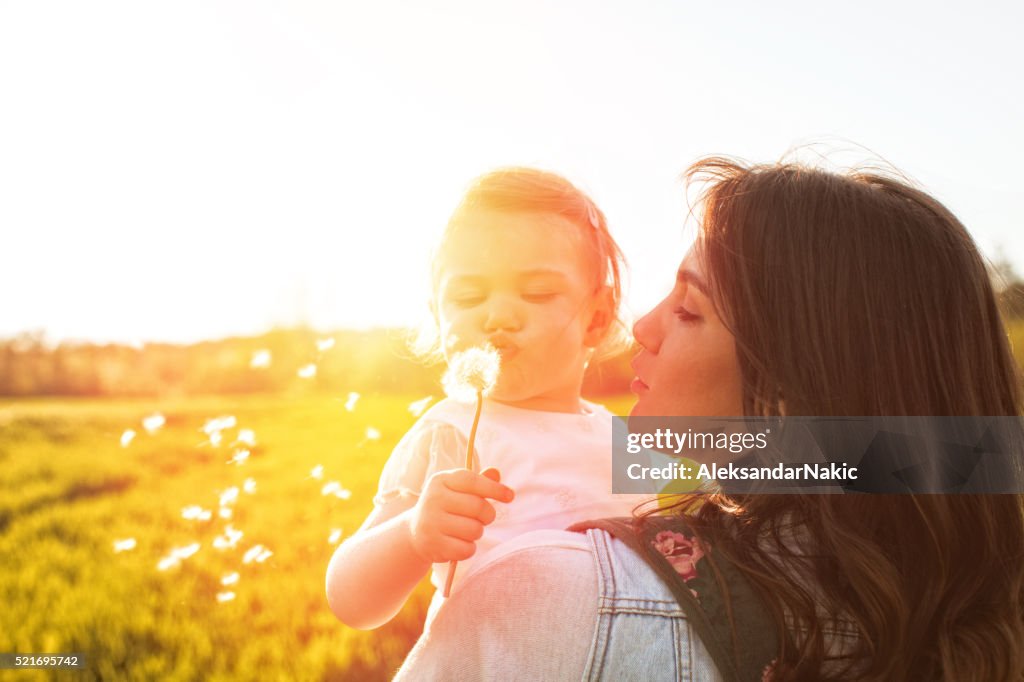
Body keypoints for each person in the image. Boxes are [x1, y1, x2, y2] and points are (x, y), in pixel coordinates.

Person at [392, 157, 1024, 681]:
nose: (640, 327)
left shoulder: (550, 594)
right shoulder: (966, 609)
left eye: (688, 310)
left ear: (788, 381)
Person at [325, 167, 645, 632]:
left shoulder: (620, 438)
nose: (497, 315)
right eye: (469, 296)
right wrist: (414, 534)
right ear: (438, 316)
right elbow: (351, 600)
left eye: (536, 292)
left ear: (596, 318)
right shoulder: (452, 433)